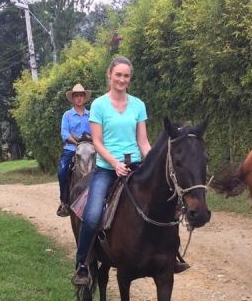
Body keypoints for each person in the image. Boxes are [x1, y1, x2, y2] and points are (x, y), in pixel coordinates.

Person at [71, 56, 190, 286]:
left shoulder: (138, 104)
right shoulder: (98, 105)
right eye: (118, 75)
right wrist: (115, 163)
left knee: (169, 204)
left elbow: (143, 141)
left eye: (126, 76)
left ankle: (171, 255)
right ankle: (83, 265)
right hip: (107, 169)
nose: (122, 79)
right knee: (93, 213)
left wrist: (153, 162)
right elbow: (96, 141)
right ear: (110, 75)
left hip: (136, 167)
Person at [56, 83, 92, 217]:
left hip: (90, 148)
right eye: (76, 96)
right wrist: (77, 141)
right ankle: (65, 202)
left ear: (84, 98)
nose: (79, 98)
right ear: (73, 98)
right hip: (71, 148)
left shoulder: (91, 114)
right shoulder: (67, 115)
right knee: (62, 172)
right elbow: (64, 134)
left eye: (81, 96)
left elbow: (96, 130)